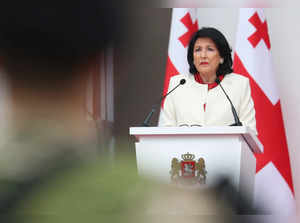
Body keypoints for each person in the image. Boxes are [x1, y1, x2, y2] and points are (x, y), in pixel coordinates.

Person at [159, 27, 257, 134]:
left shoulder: (240, 84)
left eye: (210, 49)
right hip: (185, 150)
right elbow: (166, 130)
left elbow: (249, 130)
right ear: (192, 57)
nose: (203, 55)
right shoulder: (177, 84)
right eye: (198, 50)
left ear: (221, 57)